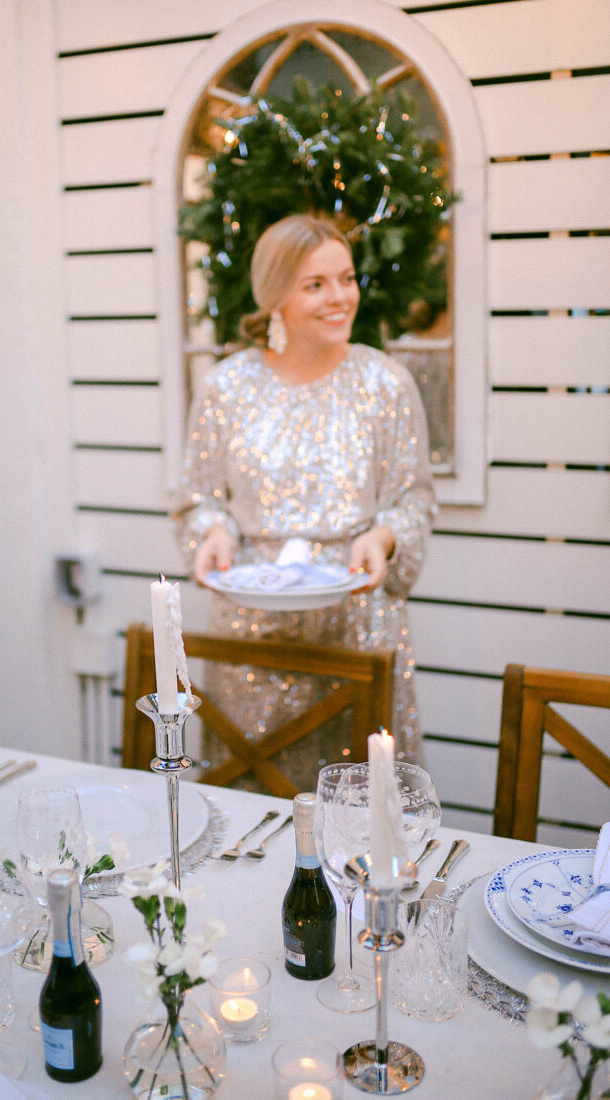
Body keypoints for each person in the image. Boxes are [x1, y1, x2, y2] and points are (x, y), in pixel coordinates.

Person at [174, 214, 436, 792]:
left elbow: (413, 500)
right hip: (252, 638)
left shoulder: (385, 384)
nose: (340, 297)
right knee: (250, 806)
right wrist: (214, 532)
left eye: (345, 278)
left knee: (364, 814)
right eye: (315, 285)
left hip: (359, 632)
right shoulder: (227, 387)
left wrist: (383, 536)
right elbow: (199, 500)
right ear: (275, 296)